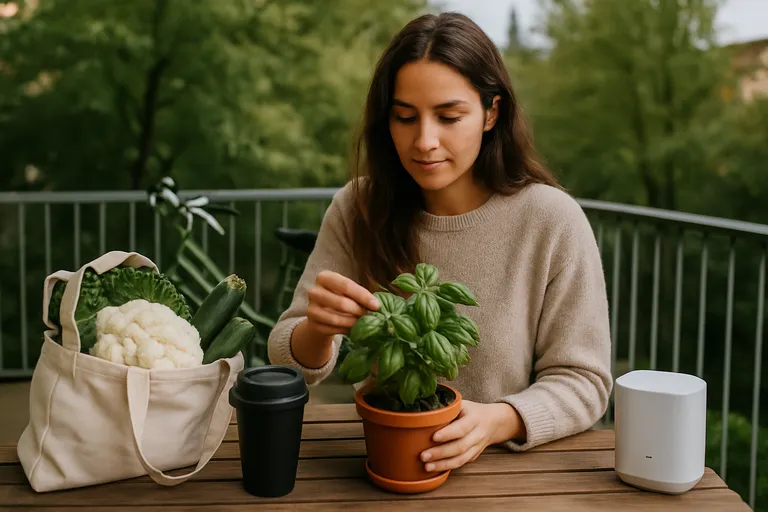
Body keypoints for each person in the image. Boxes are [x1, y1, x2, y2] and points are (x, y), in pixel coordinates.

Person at [267, 11, 612, 474]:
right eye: (405, 117)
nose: (424, 141)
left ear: (492, 113)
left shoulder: (551, 220)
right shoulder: (359, 206)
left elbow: (584, 381)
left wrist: (499, 420)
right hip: (386, 466)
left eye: (449, 116)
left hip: (510, 478)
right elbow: (287, 352)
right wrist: (317, 329)